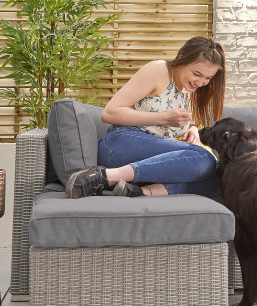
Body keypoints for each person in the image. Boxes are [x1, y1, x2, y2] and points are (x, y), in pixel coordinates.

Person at [65, 36, 225, 199]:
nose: (201, 82)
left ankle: (140, 192)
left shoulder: (188, 88)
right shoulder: (159, 70)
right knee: (204, 159)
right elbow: (109, 113)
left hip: (149, 163)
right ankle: (104, 176)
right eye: (197, 74)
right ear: (181, 58)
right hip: (121, 144)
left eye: (208, 78)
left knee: (221, 173)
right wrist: (164, 118)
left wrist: (192, 130)